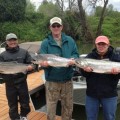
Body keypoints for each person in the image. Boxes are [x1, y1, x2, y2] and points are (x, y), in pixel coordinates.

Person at [39, 17, 79, 120]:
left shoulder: (70, 40)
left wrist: (73, 59)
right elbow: (42, 57)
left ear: (62, 27)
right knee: (51, 107)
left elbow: (75, 54)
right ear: (50, 27)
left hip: (67, 80)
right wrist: (43, 64)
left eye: (58, 25)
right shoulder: (45, 43)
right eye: (54, 26)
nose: (56, 28)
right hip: (52, 80)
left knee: (68, 106)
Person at [80, 35, 120, 120]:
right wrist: (84, 70)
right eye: (99, 44)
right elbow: (83, 74)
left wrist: (117, 73)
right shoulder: (89, 57)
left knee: (109, 118)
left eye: (103, 44)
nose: (101, 46)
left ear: (108, 45)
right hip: (92, 94)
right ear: (96, 45)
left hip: (110, 94)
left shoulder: (116, 57)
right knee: (91, 117)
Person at [0, 33, 33, 120]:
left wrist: (31, 67)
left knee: (25, 102)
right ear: (7, 42)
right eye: (10, 40)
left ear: (17, 41)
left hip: (22, 82)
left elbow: (32, 64)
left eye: (14, 40)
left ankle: (23, 116)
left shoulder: (24, 52)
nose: (12, 42)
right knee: (12, 104)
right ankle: (14, 118)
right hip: (9, 84)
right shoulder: (2, 55)